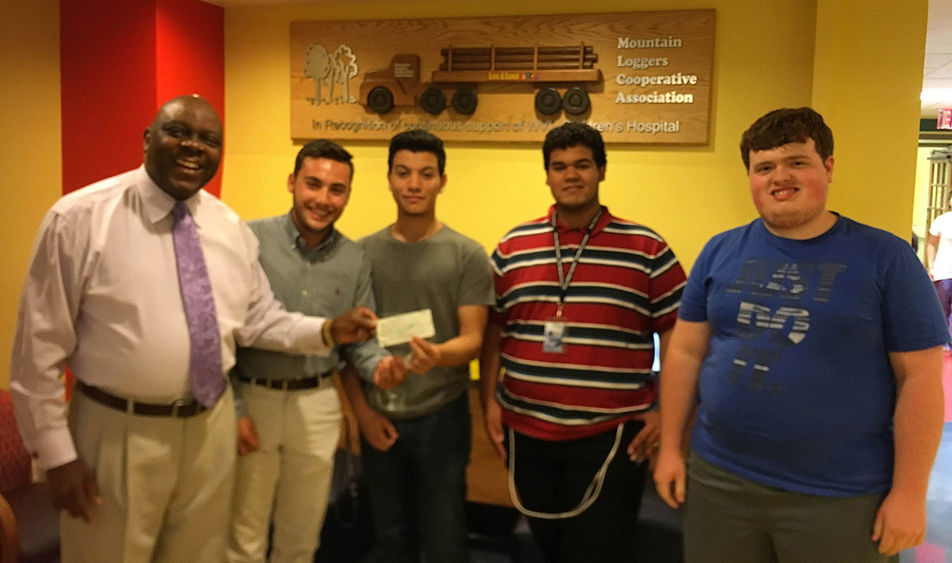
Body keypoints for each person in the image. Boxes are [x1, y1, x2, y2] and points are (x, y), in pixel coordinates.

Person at [9, 95, 376, 563]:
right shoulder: (79, 220)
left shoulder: (228, 229)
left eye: (208, 139)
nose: (193, 146)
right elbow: (37, 351)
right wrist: (55, 455)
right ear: (147, 139)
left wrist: (328, 330)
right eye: (178, 131)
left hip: (210, 429)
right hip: (116, 432)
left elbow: (259, 319)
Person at [654, 107, 948, 562]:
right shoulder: (720, 251)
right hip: (720, 481)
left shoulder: (886, 259)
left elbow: (921, 379)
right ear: (750, 177)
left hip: (839, 495)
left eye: (796, 162)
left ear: (828, 167)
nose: (779, 177)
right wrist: (671, 449)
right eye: (764, 167)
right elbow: (686, 354)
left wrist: (909, 494)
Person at [479, 121, 687, 562]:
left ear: (602, 171)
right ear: (547, 175)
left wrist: (665, 413)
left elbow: (680, 334)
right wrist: (489, 403)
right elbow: (494, 328)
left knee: (597, 552)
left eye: (582, 165)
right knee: (548, 547)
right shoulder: (514, 245)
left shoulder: (646, 248)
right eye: (559, 167)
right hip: (527, 430)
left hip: (611, 437)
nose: (570, 175)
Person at [226, 140, 401, 563]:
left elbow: (360, 340)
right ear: (292, 182)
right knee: (244, 538)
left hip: (319, 403)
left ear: (348, 195)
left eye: (336, 189)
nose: (323, 199)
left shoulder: (354, 258)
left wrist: (381, 368)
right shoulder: (247, 239)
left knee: (302, 538)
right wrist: (234, 410)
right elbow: (222, 334)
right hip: (255, 400)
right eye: (313, 184)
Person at [339, 129, 494, 563]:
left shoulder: (467, 255)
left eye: (426, 175)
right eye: (404, 173)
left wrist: (438, 355)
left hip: (441, 418)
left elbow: (474, 339)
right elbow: (348, 349)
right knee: (389, 540)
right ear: (388, 178)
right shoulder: (360, 254)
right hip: (379, 417)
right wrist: (364, 415)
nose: (414, 184)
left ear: (442, 181)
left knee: (446, 541)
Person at [926, 193, 952, 343]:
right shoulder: (942, 221)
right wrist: (931, 266)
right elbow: (931, 244)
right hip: (943, 271)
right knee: (942, 309)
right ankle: (943, 341)